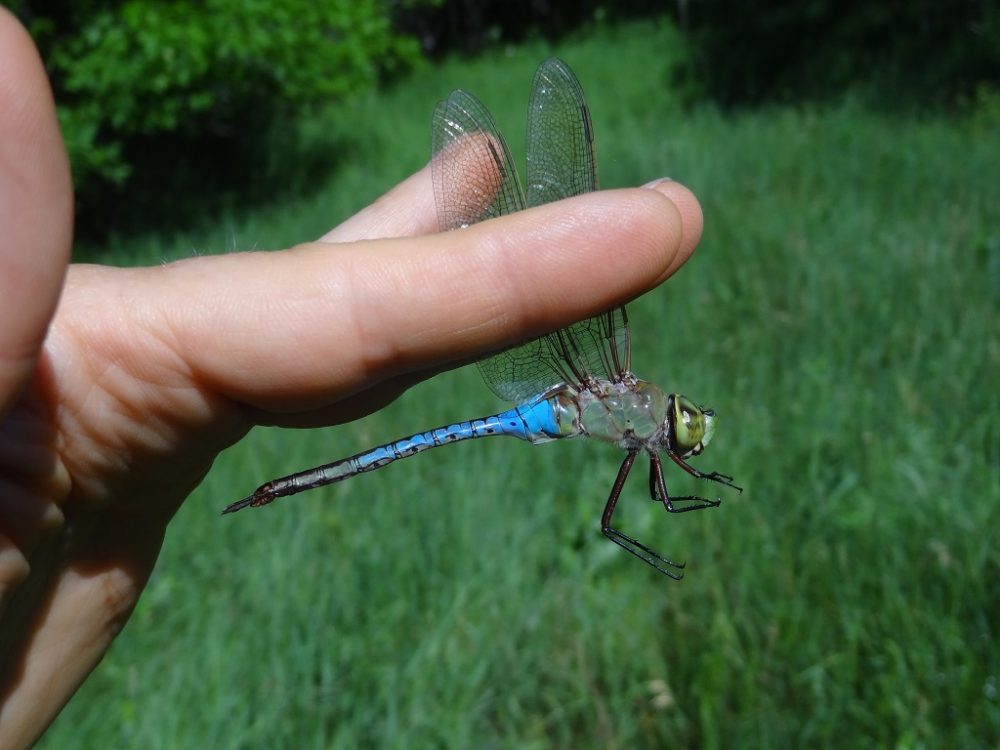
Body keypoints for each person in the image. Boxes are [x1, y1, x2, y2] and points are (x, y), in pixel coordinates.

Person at [0, 8, 704, 747]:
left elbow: (648, 498)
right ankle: (277, 488)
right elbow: (629, 507)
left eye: (687, 428)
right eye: (686, 427)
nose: (685, 432)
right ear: (662, 423)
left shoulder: (637, 431)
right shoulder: (634, 416)